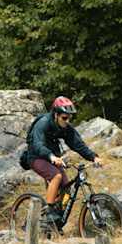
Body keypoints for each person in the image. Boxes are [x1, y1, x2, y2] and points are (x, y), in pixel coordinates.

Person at [21, 96, 103, 231]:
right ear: (55, 114)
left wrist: (93, 157)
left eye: (69, 118)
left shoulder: (65, 127)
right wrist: (51, 156)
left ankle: (54, 223)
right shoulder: (43, 123)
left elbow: (78, 145)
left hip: (53, 157)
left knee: (66, 188)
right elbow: (37, 144)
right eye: (64, 118)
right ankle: (50, 212)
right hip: (36, 157)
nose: (67, 121)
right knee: (56, 176)